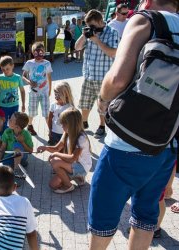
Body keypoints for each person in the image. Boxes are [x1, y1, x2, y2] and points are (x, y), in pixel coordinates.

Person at [89, 0, 179, 249]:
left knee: (104, 218)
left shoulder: (145, 20)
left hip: (126, 144)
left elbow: (117, 78)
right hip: (166, 144)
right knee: (145, 217)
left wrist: (103, 102)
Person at [75, 9, 118, 139]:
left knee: (103, 104)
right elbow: (77, 47)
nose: (91, 28)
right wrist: (84, 35)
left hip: (103, 76)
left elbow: (112, 53)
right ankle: (84, 122)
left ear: (101, 21)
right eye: (89, 26)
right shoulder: (89, 32)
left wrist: (96, 40)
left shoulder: (112, 33)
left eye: (93, 25)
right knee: (84, 102)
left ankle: (102, 126)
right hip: (88, 74)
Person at [38, 108, 92, 194]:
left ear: (71, 124)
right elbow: (56, 148)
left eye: (63, 124)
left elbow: (72, 158)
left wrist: (56, 154)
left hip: (81, 167)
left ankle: (69, 186)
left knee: (55, 161)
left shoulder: (81, 138)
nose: (61, 126)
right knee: (53, 185)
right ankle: (78, 178)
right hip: (73, 165)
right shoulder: (67, 132)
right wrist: (45, 148)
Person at [22, 41, 52, 136]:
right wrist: (29, 82)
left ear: (44, 52)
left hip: (44, 92)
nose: (38, 55)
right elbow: (23, 76)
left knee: (46, 113)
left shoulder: (47, 63)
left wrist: (50, 90)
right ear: (32, 52)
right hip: (33, 92)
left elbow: (49, 78)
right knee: (32, 112)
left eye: (41, 52)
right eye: (36, 53)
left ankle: (51, 131)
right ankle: (30, 125)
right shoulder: (29, 63)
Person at [0, 55, 25, 122]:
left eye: (7, 69)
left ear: (12, 66)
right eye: (3, 69)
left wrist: (23, 104)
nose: (5, 71)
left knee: (14, 123)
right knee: (3, 123)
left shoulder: (18, 77)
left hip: (14, 106)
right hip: (3, 106)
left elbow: (22, 91)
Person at [47, 81, 74, 146]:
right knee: (54, 148)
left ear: (66, 94)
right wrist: (50, 130)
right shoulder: (53, 105)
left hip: (65, 134)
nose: (56, 96)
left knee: (64, 150)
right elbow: (50, 118)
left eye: (58, 94)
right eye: (55, 94)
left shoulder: (70, 107)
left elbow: (72, 123)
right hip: (54, 132)